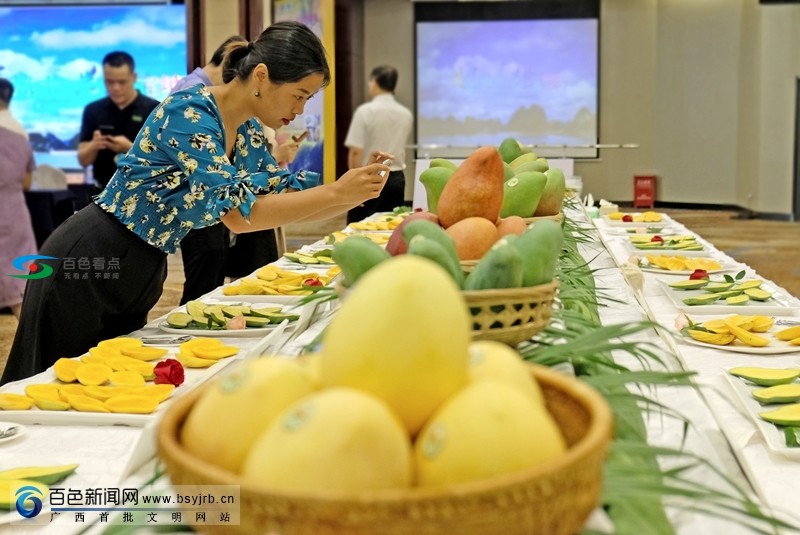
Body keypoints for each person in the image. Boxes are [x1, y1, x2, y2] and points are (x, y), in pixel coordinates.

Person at [1, 21, 391, 384]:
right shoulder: (188, 112)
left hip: (143, 265)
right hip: (89, 258)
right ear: (261, 77)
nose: (300, 110)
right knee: (42, 388)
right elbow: (237, 214)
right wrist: (339, 194)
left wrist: (354, 189)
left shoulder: (249, 130)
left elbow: (270, 200)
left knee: (104, 385)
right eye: (299, 95)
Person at [77, 51, 160, 192]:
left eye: (122, 82)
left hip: (142, 193)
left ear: (134, 78)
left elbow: (162, 162)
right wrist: (94, 145)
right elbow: (83, 161)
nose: (116, 88)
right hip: (101, 192)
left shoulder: (154, 109)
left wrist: (129, 148)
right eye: (110, 82)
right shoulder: (93, 110)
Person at [344, 65, 413, 223]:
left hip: (370, 176)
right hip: (396, 178)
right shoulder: (405, 114)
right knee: (389, 228)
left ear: (374, 82)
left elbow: (355, 152)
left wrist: (354, 184)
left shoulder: (365, 111)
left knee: (358, 229)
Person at [0, 126, 38, 318]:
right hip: (14, 213)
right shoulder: (18, 140)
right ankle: (33, 344)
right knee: (20, 291)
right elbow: (27, 182)